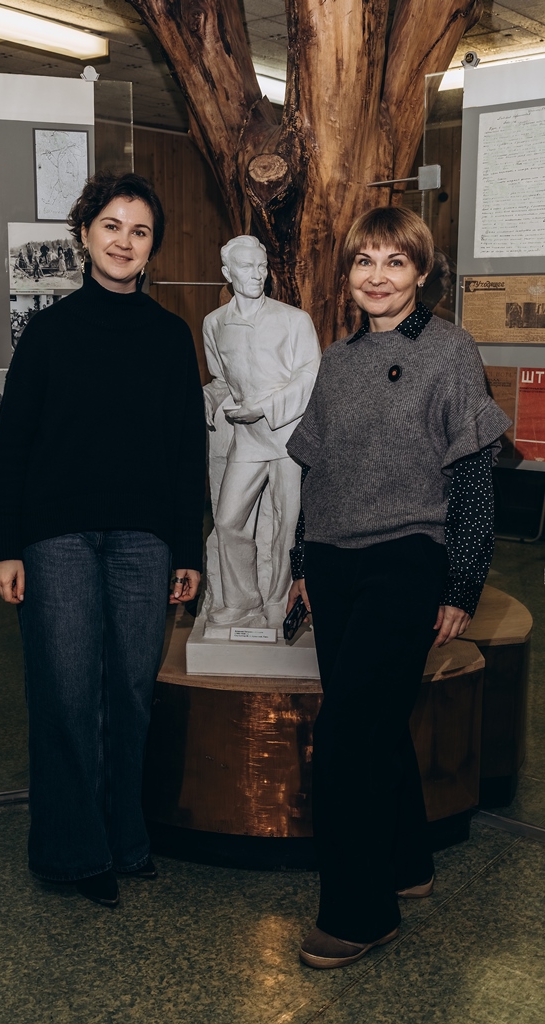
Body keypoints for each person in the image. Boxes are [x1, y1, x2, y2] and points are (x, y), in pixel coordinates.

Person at [286, 207, 511, 971]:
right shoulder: (337, 359)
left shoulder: (449, 350)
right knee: (375, 724)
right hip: (332, 562)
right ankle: (406, 862)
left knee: (345, 738)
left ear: (420, 273)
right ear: (347, 274)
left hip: (406, 560)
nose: (376, 277)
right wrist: (299, 563)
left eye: (393, 262)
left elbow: (472, 480)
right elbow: (315, 470)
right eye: (363, 261)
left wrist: (461, 584)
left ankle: (359, 914)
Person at [0, 172, 206, 909]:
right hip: (57, 539)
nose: (123, 241)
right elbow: (12, 447)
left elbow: (188, 451)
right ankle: (71, 852)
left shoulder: (170, 337)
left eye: (139, 231)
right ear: (85, 235)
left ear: (151, 248)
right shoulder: (49, 332)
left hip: (144, 541)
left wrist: (188, 551)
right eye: (111, 225)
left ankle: (124, 838)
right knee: (67, 694)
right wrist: (5, 547)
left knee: (132, 694)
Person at [202, 235, 320, 630]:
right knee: (227, 520)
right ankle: (240, 601)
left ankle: (278, 602)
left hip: (290, 439)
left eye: (261, 266)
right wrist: (204, 399)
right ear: (227, 273)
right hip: (248, 441)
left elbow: (310, 376)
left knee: (287, 526)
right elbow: (222, 380)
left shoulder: (294, 320)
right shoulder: (214, 324)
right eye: (246, 267)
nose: (257, 275)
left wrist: (265, 408)